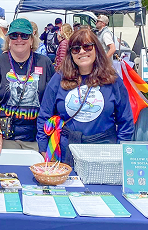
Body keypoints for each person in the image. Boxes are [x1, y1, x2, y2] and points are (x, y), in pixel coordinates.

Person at [37, 29, 134, 165]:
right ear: (70, 53)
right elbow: (44, 115)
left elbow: (126, 120)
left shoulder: (112, 80)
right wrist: (43, 147)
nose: (82, 52)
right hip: (67, 151)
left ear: (96, 49)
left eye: (87, 47)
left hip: (104, 150)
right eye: (76, 49)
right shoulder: (58, 79)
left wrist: (122, 149)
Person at [0, 19, 55, 153]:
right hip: (5, 138)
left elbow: (52, 100)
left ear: (32, 39)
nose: (19, 39)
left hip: (36, 138)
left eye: (24, 35)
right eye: (14, 35)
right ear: (8, 39)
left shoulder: (44, 63)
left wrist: (47, 138)